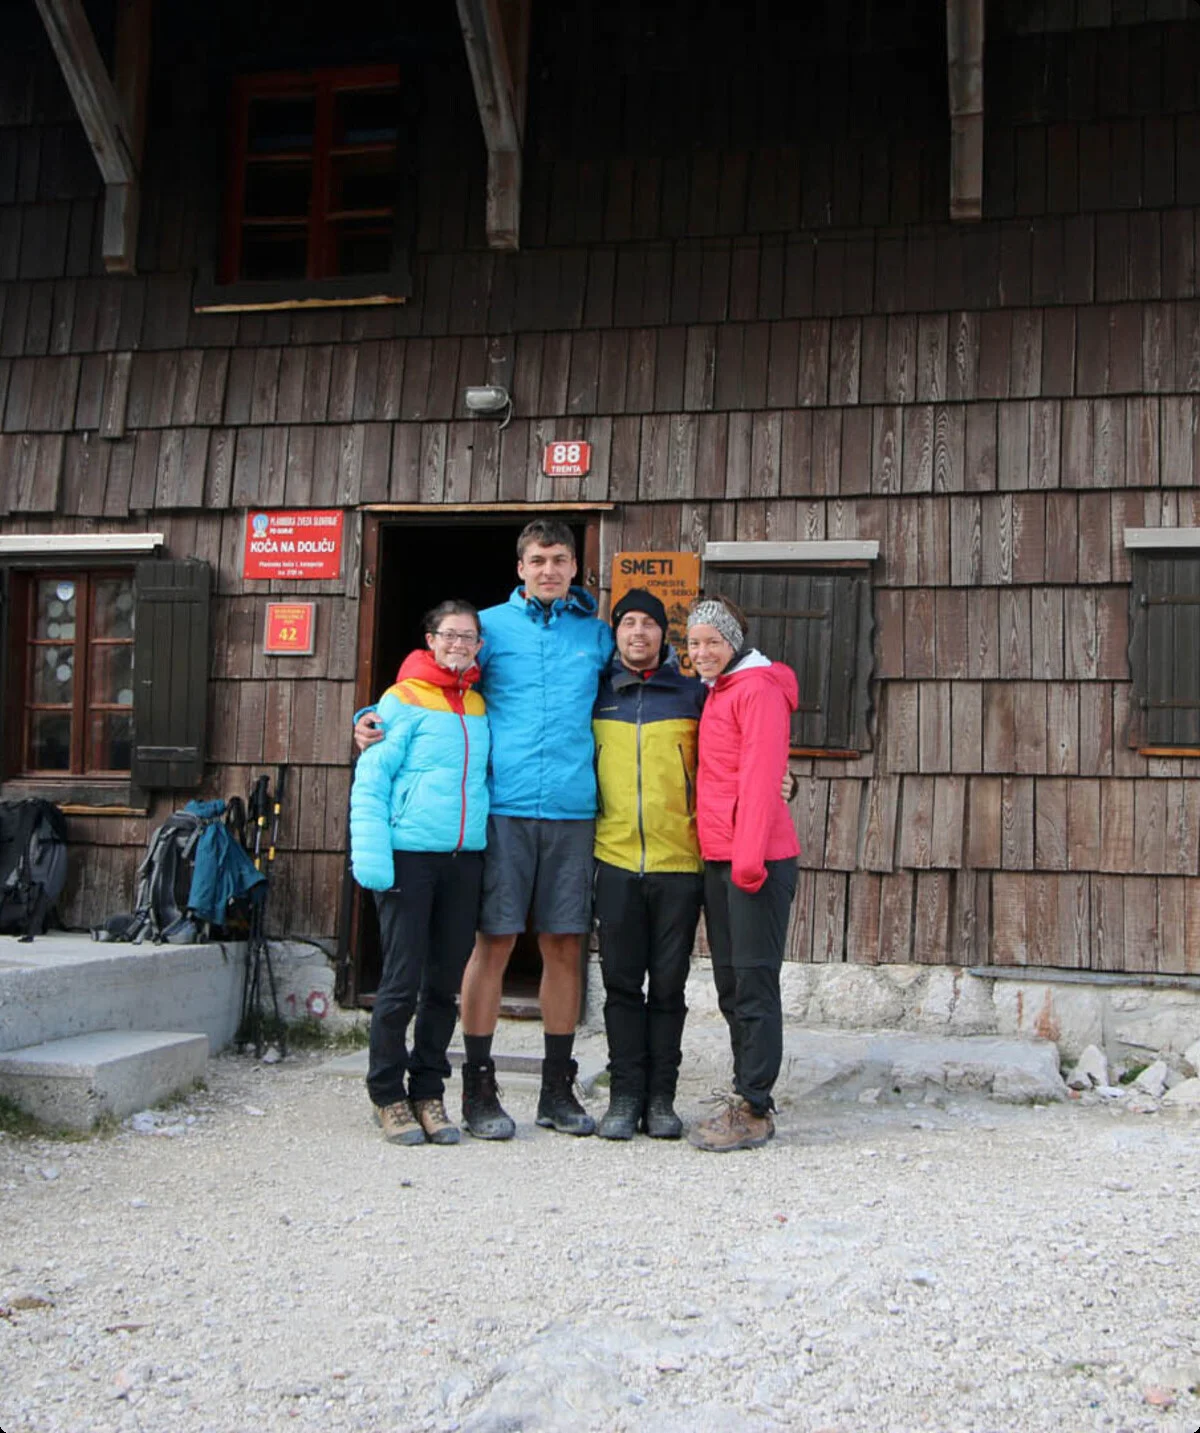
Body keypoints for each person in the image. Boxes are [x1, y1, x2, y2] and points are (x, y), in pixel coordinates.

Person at [355, 520, 613, 1139]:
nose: (548, 570)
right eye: (536, 560)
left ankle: (556, 1089)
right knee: (492, 943)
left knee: (563, 946)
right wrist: (372, 716)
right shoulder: (490, 628)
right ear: (519, 567)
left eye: (559, 559)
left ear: (575, 567)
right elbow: (431, 672)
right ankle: (476, 1086)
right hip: (502, 808)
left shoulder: (597, 635)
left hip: (575, 812)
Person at [348, 600, 489, 1146]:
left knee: (443, 986)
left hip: (463, 860)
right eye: (449, 635)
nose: (459, 644)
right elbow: (372, 781)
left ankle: (429, 1090)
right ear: (429, 639)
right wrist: (374, 861)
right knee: (401, 982)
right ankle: (388, 1095)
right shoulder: (400, 699)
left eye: (469, 636)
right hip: (409, 856)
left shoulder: (477, 702)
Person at [685, 594, 800, 1153]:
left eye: (713, 641)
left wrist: (748, 862)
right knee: (732, 983)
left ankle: (756, 1106)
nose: (703, 652)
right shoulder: (721, 691)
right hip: (722, 855)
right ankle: (745, 1088)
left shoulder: (756, 689)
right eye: (694, 643)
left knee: (753, 982)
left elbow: (759, 779)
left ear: (735, 641)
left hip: (754, 859)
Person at [592, 588, 706, 1141]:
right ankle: (622, 1096)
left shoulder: (692, 696)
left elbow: (734, 755)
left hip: (679, 864)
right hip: (613, 860)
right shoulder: (595, 695)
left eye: (649, 624)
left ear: (666, 634)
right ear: (615, 633)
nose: (638, 632)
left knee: (667, 987)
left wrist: (781, 778)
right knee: (619, 986)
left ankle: (661, 1099)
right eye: (628, 622)